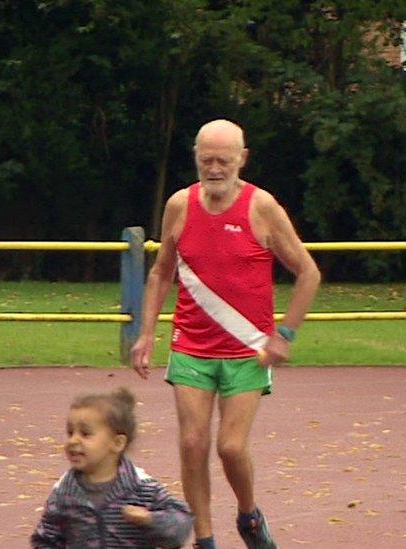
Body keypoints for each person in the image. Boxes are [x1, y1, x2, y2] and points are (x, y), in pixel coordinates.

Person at [130, 119, 320, 549]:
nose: (214, 168)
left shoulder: (262, 207)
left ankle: (249, 516)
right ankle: (205, 538)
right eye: (206, 160)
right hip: (191, 347)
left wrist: (285, 333)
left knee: (230, 447)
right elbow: (161, 273)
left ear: (242, 160)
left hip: (247, 352)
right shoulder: (180, 205)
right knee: (193, 442)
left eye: (223, 160)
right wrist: (145, 335)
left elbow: (308, 272)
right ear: (195, 158)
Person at [31, 387, 193, 548]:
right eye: (70, 432)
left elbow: (180, 526)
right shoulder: (64, 492)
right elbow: (45, 539)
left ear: (117, 443)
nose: (73, 440)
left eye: (85, 434)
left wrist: (150, 519)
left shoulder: (142, 488)